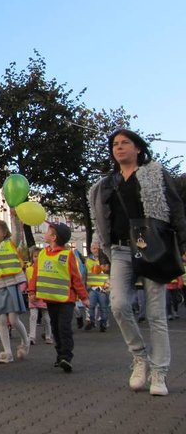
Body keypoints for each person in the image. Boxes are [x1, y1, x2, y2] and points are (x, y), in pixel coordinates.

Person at [89, 129, 186, 396]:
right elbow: (101, 221)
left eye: (125, 143)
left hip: (152, 245)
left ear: (138, 149)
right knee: (118, 305)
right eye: (115, 144)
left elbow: (176, 208)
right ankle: (140, 357)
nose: (119, 148)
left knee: (156, 314)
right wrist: (102, 253)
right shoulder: (106, 183)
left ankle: (159, 372)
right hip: (120, 249)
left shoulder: (155, 173)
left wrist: (183, 244)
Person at [28, 222, 89, 373]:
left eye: (48, 230)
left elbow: (76, 278)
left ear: (54, 237)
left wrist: (84, 297)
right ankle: (60, 355)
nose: (46, 232)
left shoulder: (67, 255)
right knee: (55, 328)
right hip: (50, 298)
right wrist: (31, 291)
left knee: (64, 328)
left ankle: (66, 357)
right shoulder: (42, 254)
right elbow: (36, 274)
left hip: (66, 299)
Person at [0, 219, 31, 364]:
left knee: (14, 319)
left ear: (4, 233)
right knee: (1, 319)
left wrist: (16, 218)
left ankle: (25, 341)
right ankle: (7, 352)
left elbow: (18, 235)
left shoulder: (10, 244)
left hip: (11, 285)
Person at [26, 246, 53, 345]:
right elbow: (27, 281)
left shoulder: (45, 269)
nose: (36, 258)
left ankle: (48, 335)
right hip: (32, 296)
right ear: (32, 257)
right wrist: (23, 289)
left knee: (47, 317)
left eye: (39, 256)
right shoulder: (29, 269)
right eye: (35, 256)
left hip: (43, 295)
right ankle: (32, 336)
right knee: (33, 316)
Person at [86, 241, 111, 332]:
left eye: (97, 248)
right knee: (91, 306)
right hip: (92, 288)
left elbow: (108, 273)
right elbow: (86, 273)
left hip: (102, 289)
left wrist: (107, 286)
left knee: (103, 308)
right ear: (90, 249)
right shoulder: (88, 260)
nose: (95, 250)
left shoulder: (104, 259)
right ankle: (92, 322)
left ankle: (103, 324)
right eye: (93, 248)